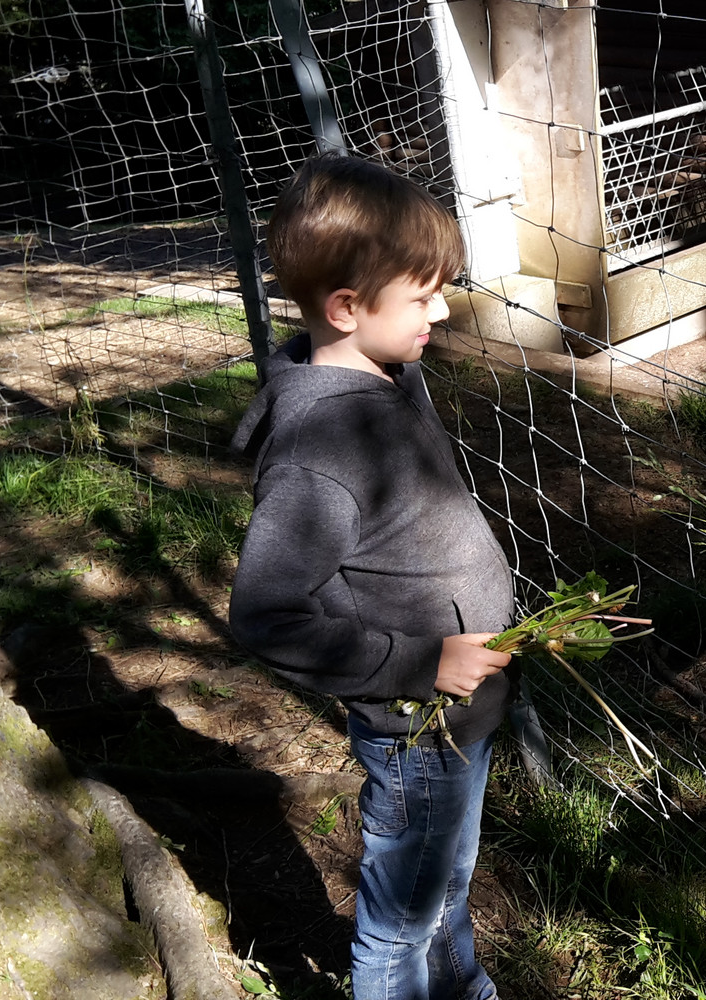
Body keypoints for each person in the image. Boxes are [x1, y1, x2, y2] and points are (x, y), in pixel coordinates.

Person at [229, 153, 515, 1000]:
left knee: (445, 882)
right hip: (417, 725)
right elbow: (268, 615)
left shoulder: (385, 376)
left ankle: (462, 988)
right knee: (398, 923)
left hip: (460, 716)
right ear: (347, 309)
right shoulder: (319, 453)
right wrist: (422, 662)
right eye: (423, 297)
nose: (444, 310)